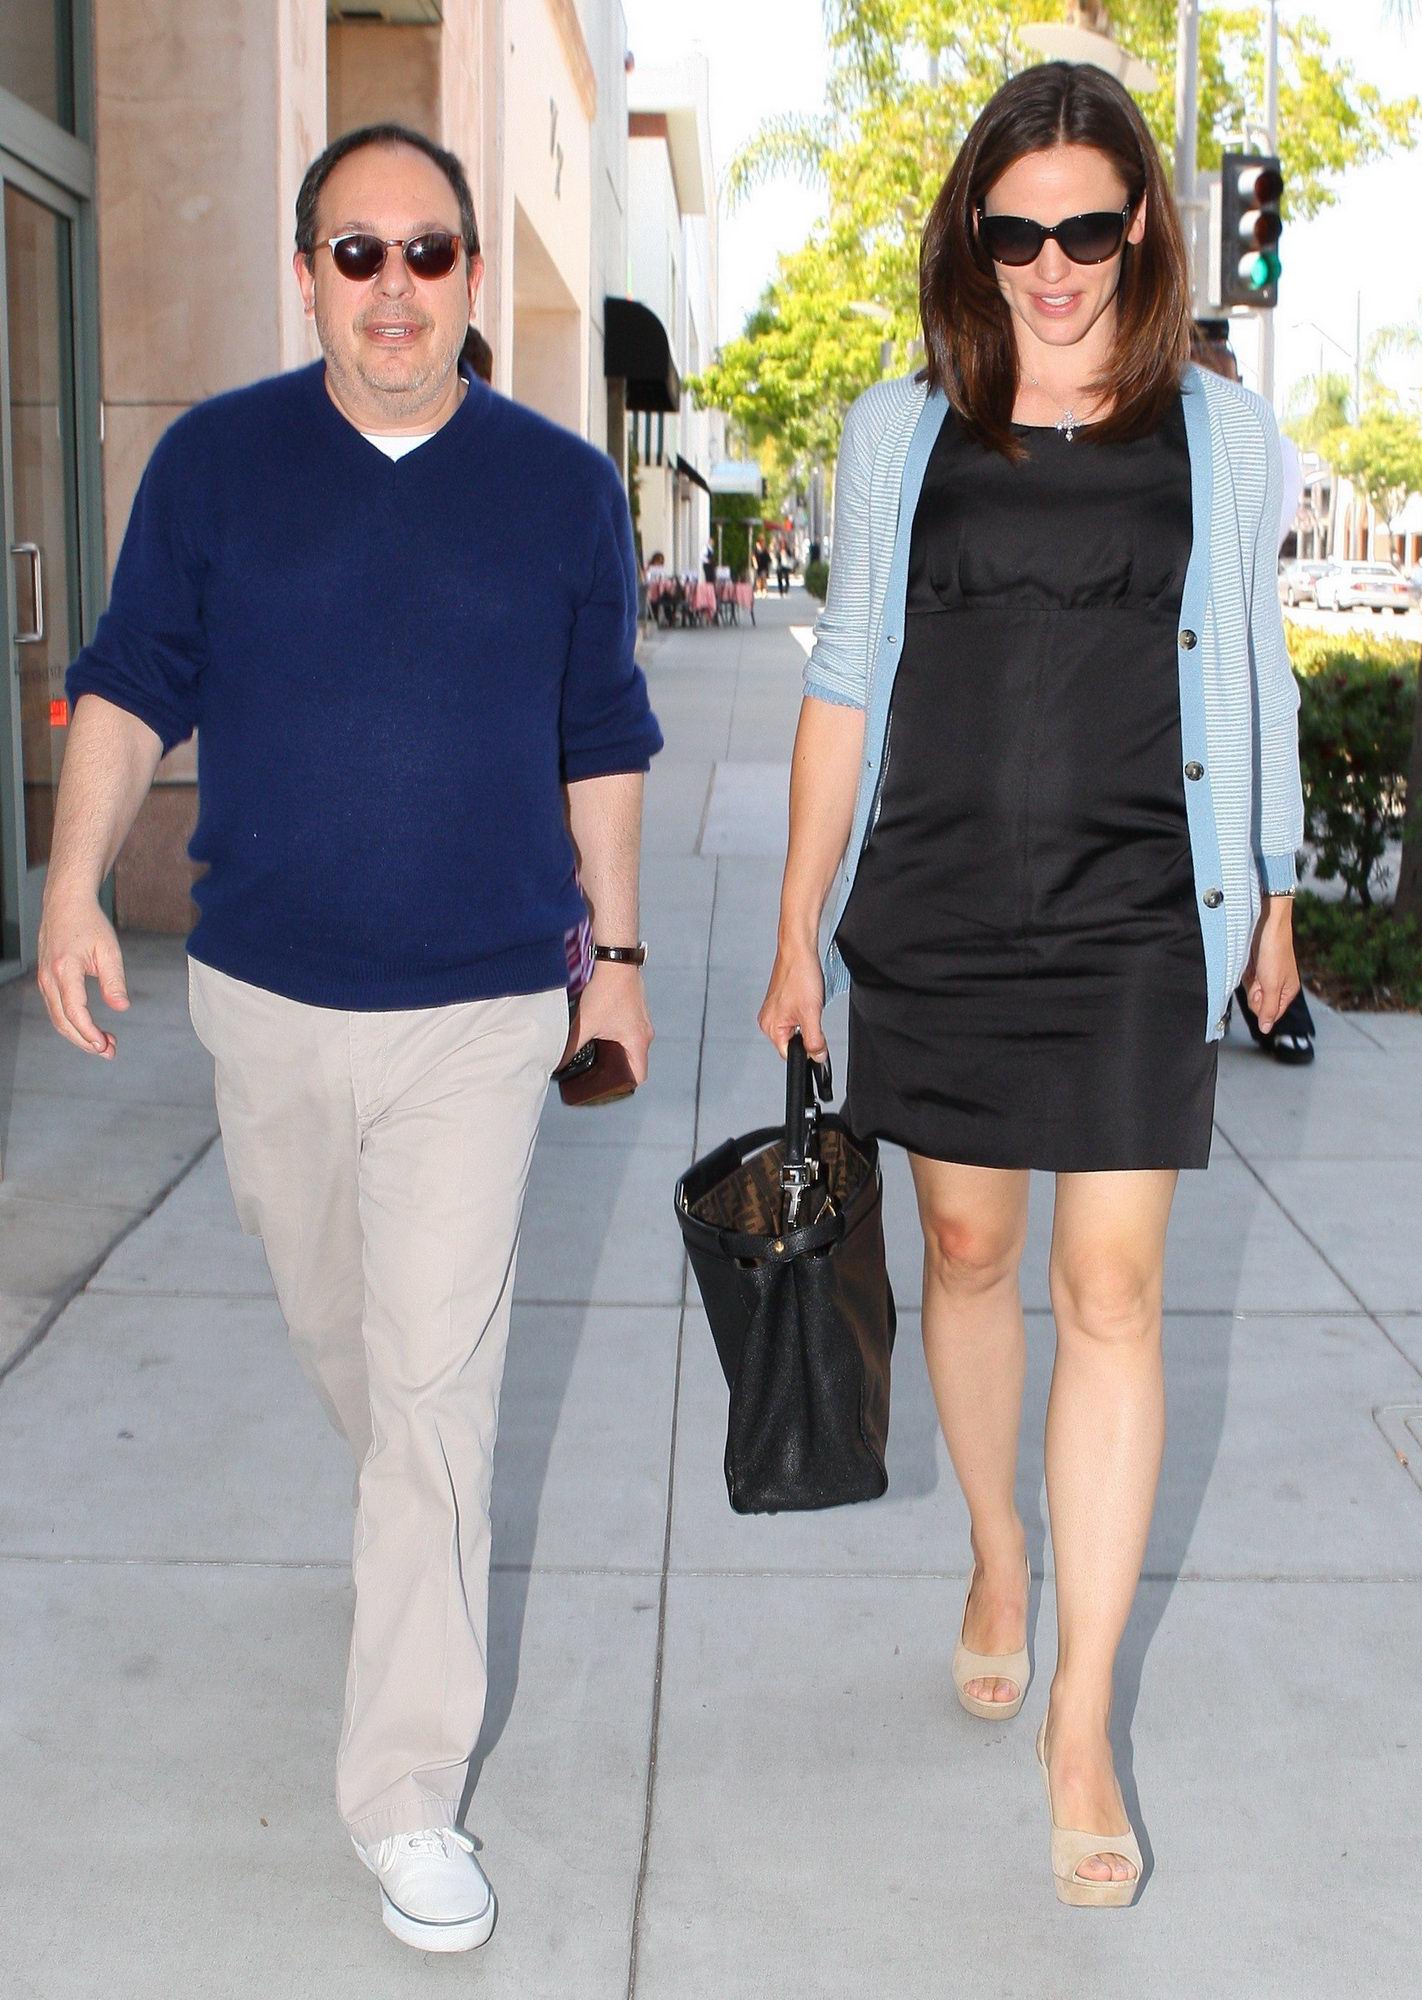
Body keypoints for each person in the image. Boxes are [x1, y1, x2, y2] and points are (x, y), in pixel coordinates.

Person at [37, 122, 663, 1954]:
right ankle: (410, 1532)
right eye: (359, 254)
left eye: (433, 255)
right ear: (304, 272)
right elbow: (131, 680)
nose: (397, 289)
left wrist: (611, 950)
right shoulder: (216, 465)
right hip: (266, 1004)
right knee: (357, 1352)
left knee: (436, 1398)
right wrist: (73, 883)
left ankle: (403, 1791)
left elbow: (602, 730)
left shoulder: (558, 490)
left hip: (479, 1009)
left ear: (475, 278)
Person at [760, 62, 1302, 1907]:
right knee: (972, 1257)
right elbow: (845, 677)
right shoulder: (897, 425)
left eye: (1086, 228)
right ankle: (997, 1548)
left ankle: (1083, 1718)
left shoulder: (1220, 433)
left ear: (1140, 223)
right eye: (1017, 233)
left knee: (1117, 1286)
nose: (1054, 266)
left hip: (1144, 907)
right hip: (938, 901)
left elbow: (1262, 665)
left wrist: (1277, 892)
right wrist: (789, 935)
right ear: (971, 236)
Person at [1190, 321, 1315, 1062]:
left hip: (1232, 648)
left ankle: (1262, 977)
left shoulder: (1256, 441)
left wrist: (1278, 902)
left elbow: (1253, 571)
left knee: (1237, 831)